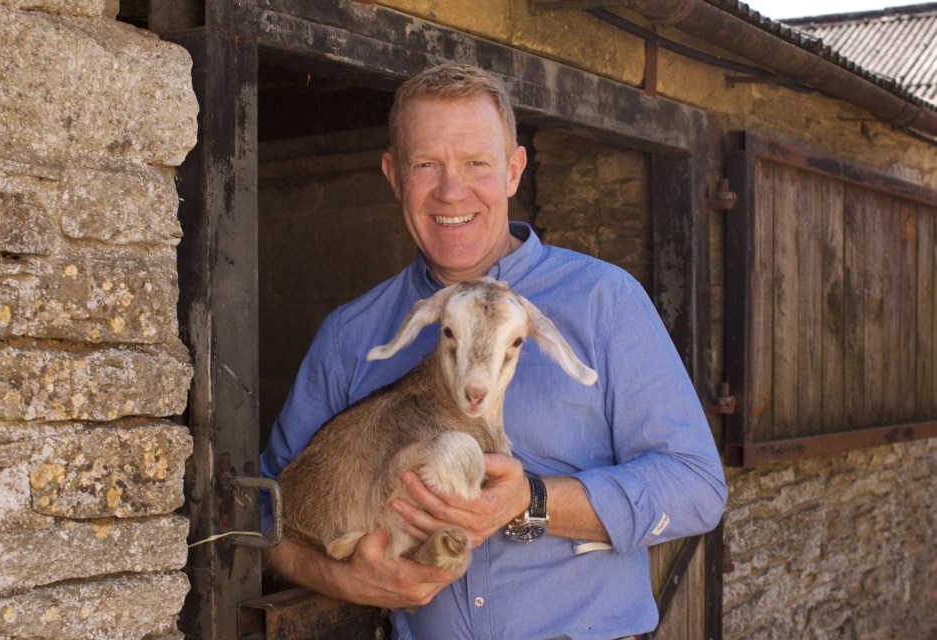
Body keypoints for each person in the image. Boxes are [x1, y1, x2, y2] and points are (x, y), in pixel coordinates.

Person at [260, 63, 727, 640]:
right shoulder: (350, 335)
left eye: (477, 163)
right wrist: (344, 580)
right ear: (392, 175)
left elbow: (697, 488)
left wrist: (533, 501)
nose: (451, 191)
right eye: (426, 164)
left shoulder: (605, 302)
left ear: (513, 170)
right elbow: (265, 516)